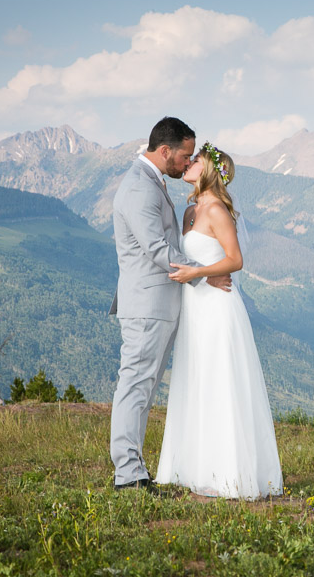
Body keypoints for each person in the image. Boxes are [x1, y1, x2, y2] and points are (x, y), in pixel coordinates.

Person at [109, 118, 231, 490]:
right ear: (165, 151)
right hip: (147, 305)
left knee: (142, 390)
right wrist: (206, 272)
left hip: (157, 305)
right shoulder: (138, 188)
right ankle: (128, 476)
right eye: (184, 155)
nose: (187, 162)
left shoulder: (149, 182)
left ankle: (135, 470)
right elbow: (158, 249)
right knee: (135, 387)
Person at [155, 142, 283, 499]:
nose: (189, 163)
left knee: (219, 382)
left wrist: (204, 272)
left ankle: (228, 472)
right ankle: (192, 467)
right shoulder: (190, 212)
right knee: (195, 379)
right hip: (195, 306)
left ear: (209, 170)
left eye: (195, 160)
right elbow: (188, 258)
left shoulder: (216, 211)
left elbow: (235, 259)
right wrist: (202, 274)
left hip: (218, 308)